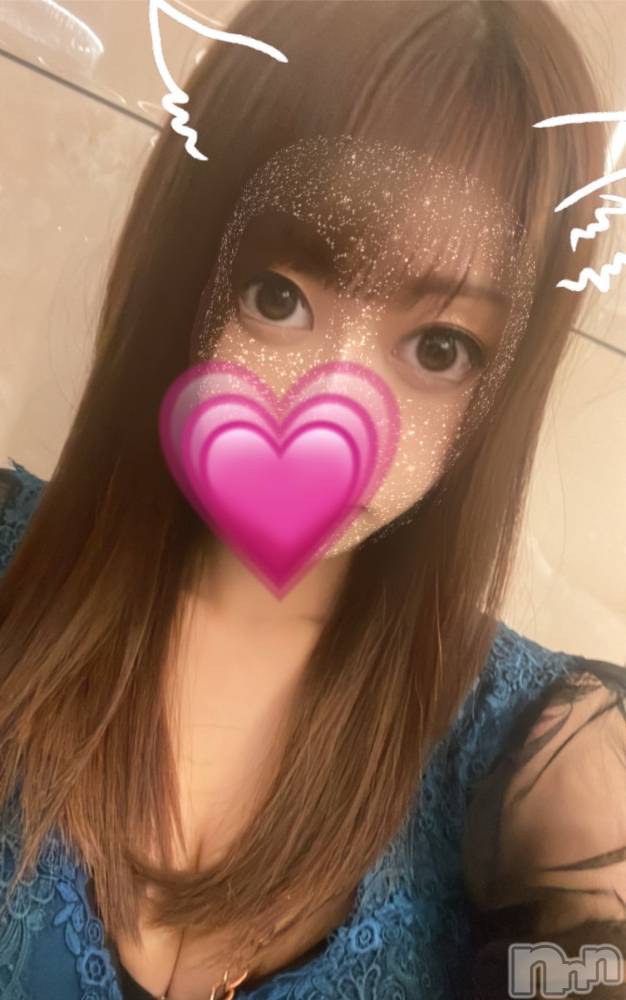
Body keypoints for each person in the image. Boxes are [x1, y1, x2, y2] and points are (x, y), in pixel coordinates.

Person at [0, 2, 624, 999]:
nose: (336, 420)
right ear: (185, 270)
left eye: (438, 348)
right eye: (279, 296)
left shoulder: (539, 756)